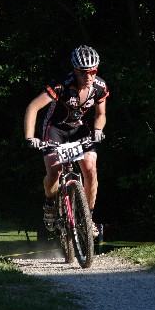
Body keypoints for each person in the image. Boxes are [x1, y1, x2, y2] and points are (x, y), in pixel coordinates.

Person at [24, 45, 109, 237]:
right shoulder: (61, 85)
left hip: (78, 129)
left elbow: (101, 114)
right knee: (54, 171)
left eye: (93, 72)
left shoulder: (99, 87)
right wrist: (30, 138)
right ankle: (49, 204)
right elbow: (33, 107)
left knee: (90, 170)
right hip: (55, 130)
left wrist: (98, 130)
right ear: (75, 70)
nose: (89, 77)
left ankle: (88, 218)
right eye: (84, 72)